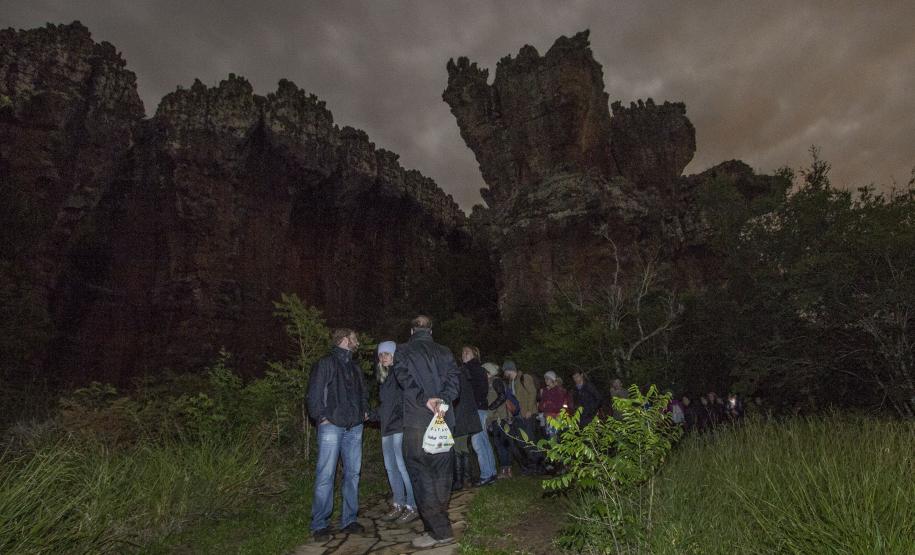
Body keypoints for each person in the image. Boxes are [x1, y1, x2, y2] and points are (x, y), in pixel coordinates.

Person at [393, 315, 461, 549]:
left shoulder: (402, 350)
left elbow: (404, 378)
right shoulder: (445, 351)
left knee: (421, 475)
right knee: (442, 474)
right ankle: (436, 526)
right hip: (444, 419)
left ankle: (440, 530)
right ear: (431, 331)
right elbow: (454, 381)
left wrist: (425, 400)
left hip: (417, 422)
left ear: (412, 332)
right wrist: (442, 401)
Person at [305, 328, 369, 541]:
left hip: (355, 426)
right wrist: (320, 416)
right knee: (326, 474)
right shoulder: (325, 363)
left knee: (353, 474)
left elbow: (363, 393)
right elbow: (314, 392)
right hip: (331, 426)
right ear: (344, 340)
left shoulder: (354, 366)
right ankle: (319, 523)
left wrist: (363, 412)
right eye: (355, 338)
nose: (357, 341)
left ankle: (349, 519)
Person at [375, 341, 419, 525]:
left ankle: (413, 505)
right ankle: (398, 503)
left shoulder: (401, 373)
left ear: (394, 355)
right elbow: (386, 405)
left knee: (403, 467)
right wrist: (371, 414)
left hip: (400, 426)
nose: (384, 357)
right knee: (391, 468)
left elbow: (405, 400)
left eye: (387, 353)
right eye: (381, 354)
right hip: (386, 428)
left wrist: (401, 418)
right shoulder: (383, 378)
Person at [461, 345, 497, 486]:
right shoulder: (475, 369)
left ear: (475, 354)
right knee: (483, 441)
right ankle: (491, 472)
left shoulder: (473, 369)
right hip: (479, 408)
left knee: (478, 443)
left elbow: (478, 390)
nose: (464, 354)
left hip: (476, 409)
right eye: (463, 352)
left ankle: (486, 475)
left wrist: (472, 404)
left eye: (467, 352)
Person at [502, 361, 542, 474]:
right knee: (522, 443)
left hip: (528, 415)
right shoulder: (511, 384)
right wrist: (510, 416)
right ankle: (530, 466)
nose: (504, 373)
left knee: (530, 441)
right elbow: (511, 402)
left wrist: (529, 409)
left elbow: (532, 392)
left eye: (505, 371)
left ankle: (538, 466)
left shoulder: (525, 378)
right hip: (518, 418)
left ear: (510, 369)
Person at [451, 357, 483, 491]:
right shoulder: (464, 375)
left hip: (461, 419)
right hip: (465, 418)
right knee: (462, 449)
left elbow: (456, 398)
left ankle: (462, 480)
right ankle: (465, 479)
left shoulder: (458, 377)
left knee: (459, 450)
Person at [483, 362, 514, 479]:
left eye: (484, 372)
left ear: (489, 372)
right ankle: (505, 469)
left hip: (500, 418)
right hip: (495, 418)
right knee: (499, 444)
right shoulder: (490, 383)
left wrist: (490, 407)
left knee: (502, 444)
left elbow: (502, 396)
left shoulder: (496, 381)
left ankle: (507, 470)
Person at [538, 371, 571, 438]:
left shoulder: (558, 391)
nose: (545, 380)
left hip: (556, 419)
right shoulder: (545, 391)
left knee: (555, 440)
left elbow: (558, 407)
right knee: (551, 439)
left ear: (552, 379)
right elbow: (540, 407)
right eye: (545, 378)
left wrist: (547, 405)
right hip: (548, 419)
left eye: (547, 378)